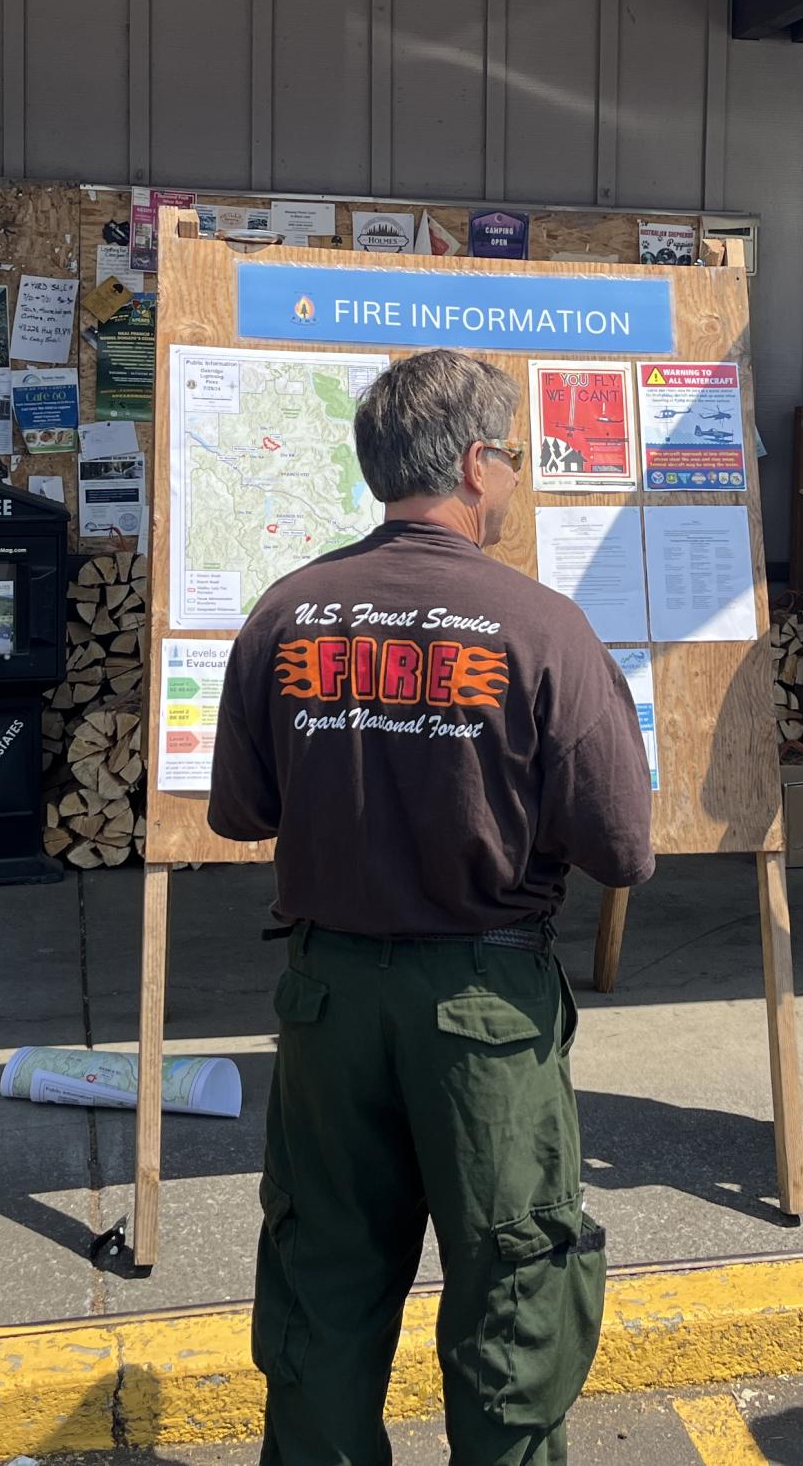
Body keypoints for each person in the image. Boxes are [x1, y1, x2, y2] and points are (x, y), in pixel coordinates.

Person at [209, 347, 655, 1466]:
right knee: (513, 1291)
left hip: (325, 1000)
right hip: (482, 1007)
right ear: (472, 462)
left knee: (321, 1284)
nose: (511, 481)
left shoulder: (287, 612)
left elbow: (238, 811)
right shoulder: (539, 626)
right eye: (508, 458)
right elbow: (621, 848)